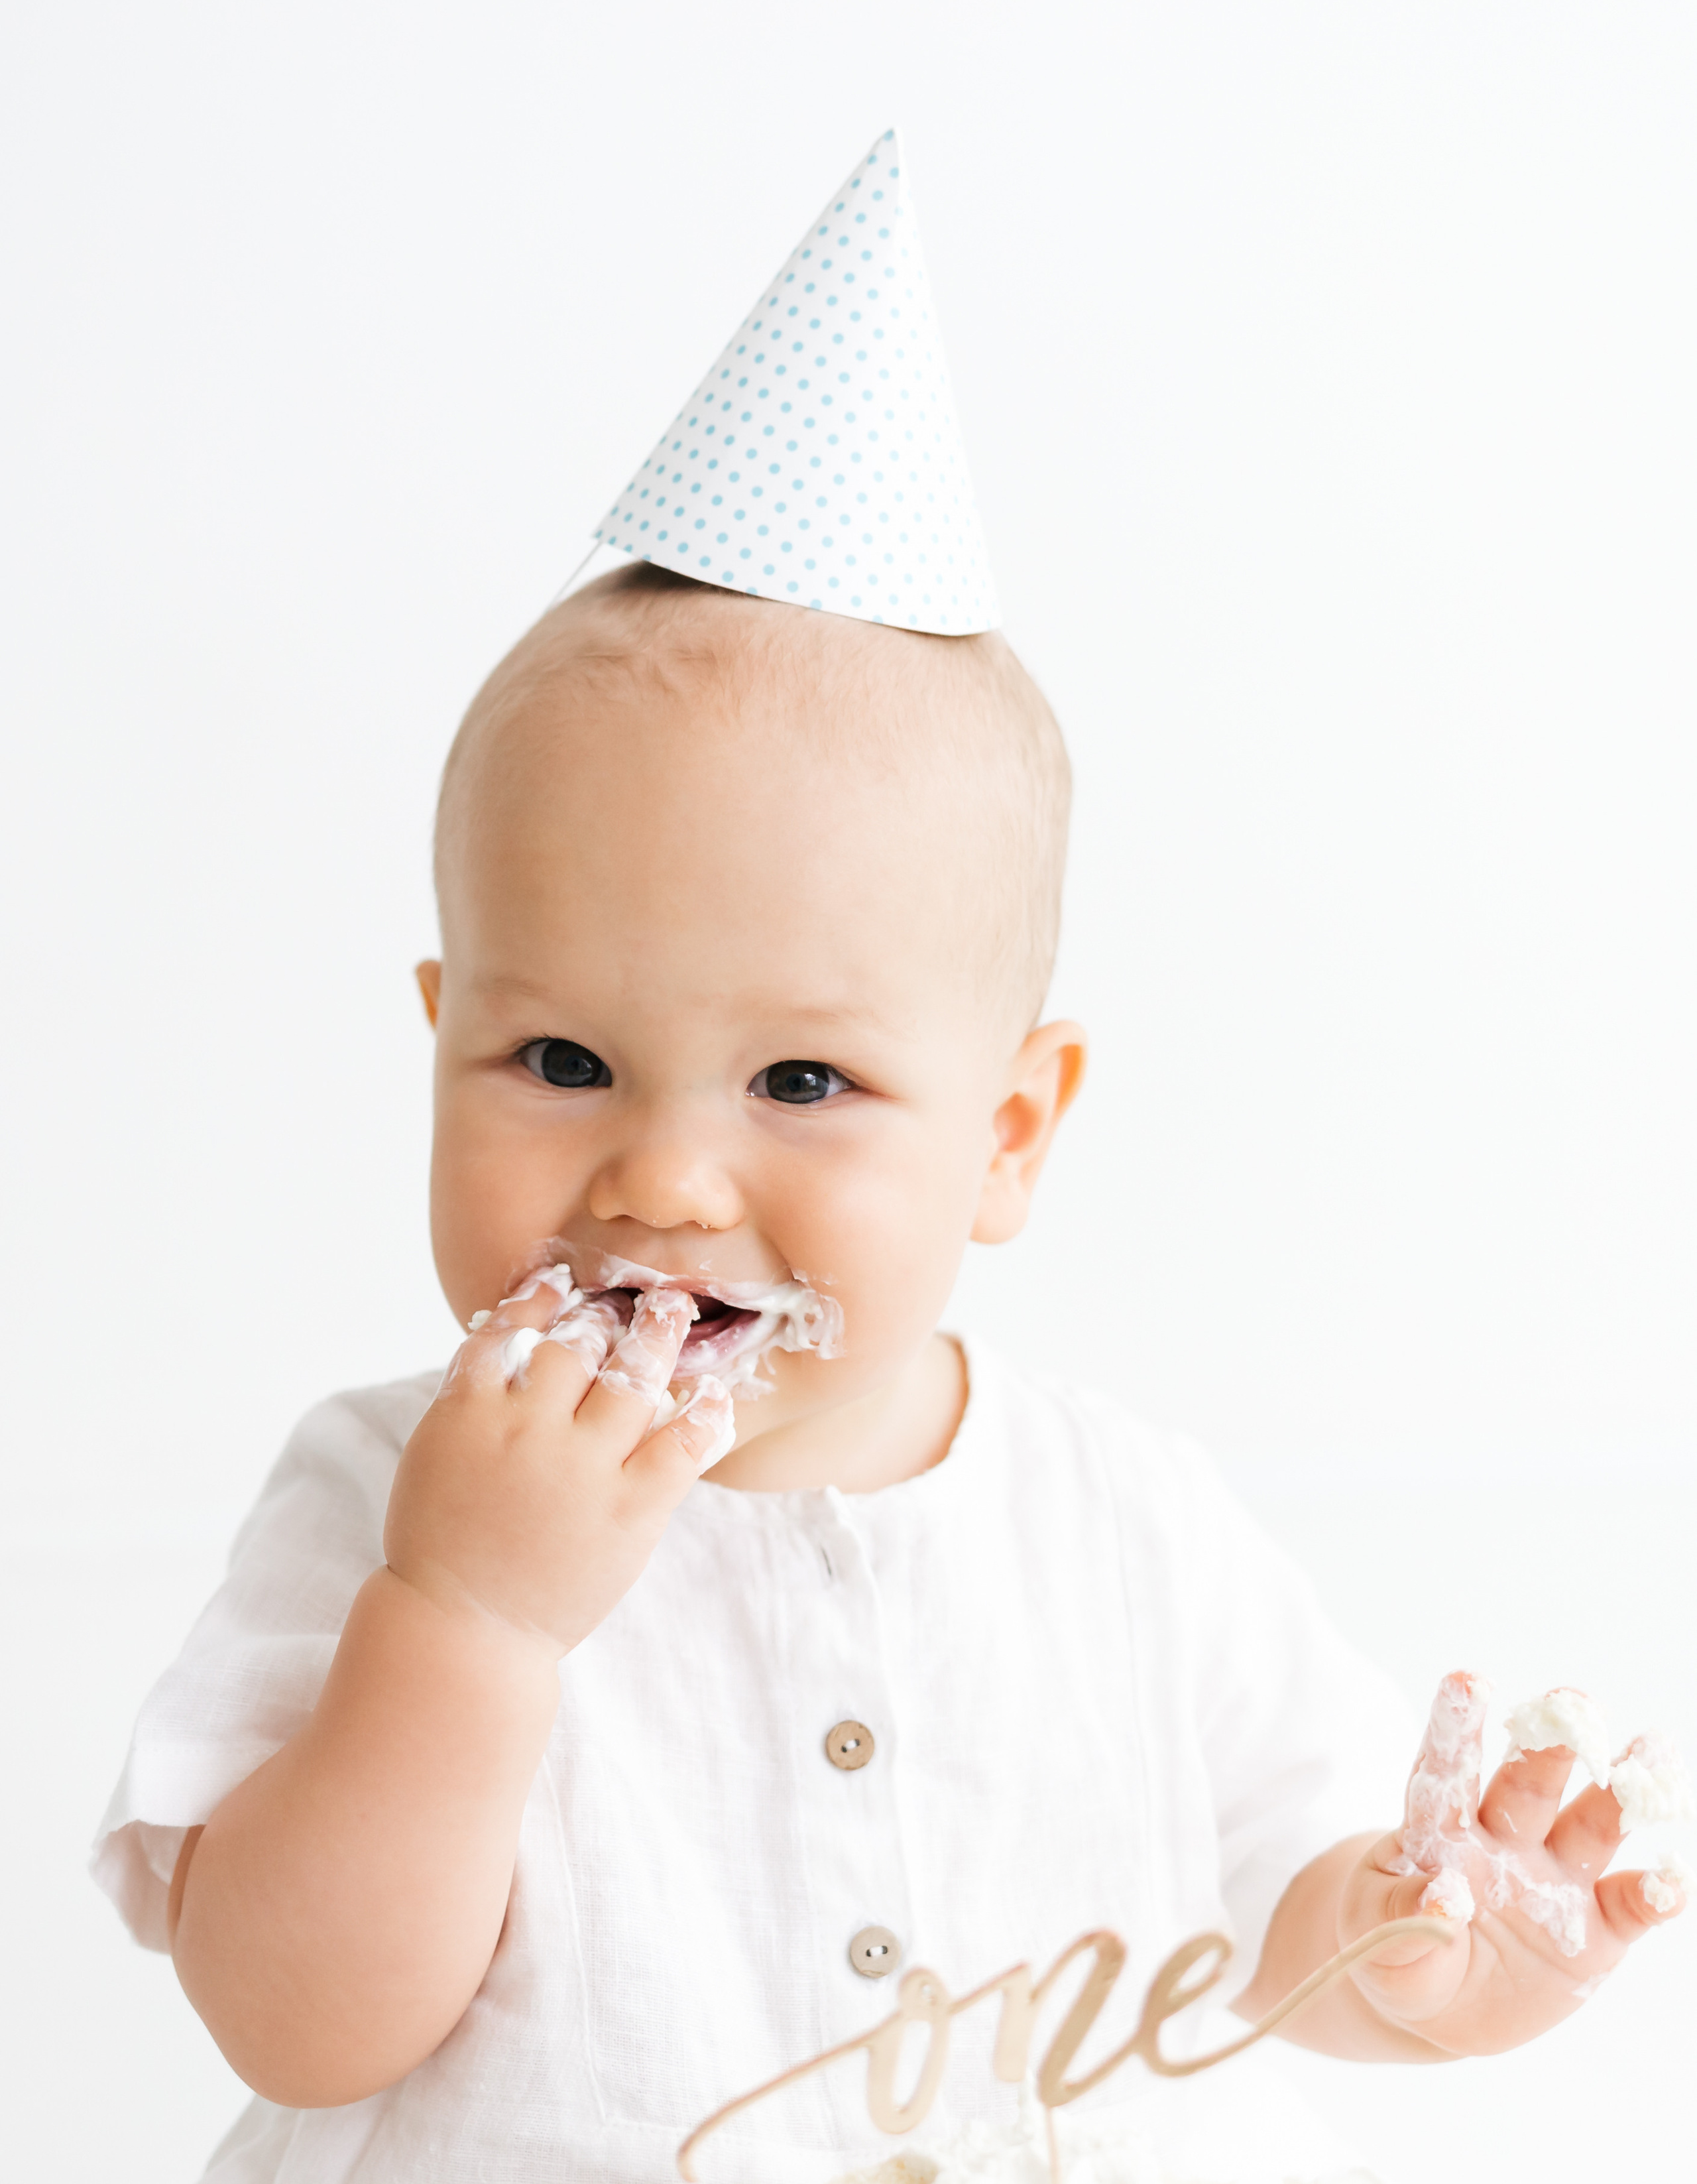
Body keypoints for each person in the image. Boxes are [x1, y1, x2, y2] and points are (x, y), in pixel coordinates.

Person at [94, 137, 1687, 2184]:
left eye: (804, 1084)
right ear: (437, 1043)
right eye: (561, 1057)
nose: (662, 1181)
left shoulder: (1120, 1526)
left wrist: (1421, 1955)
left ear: (1009, 1134)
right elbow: (300, 2028)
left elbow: (1289, 1894)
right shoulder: (383, 1503)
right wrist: (467, 1622)